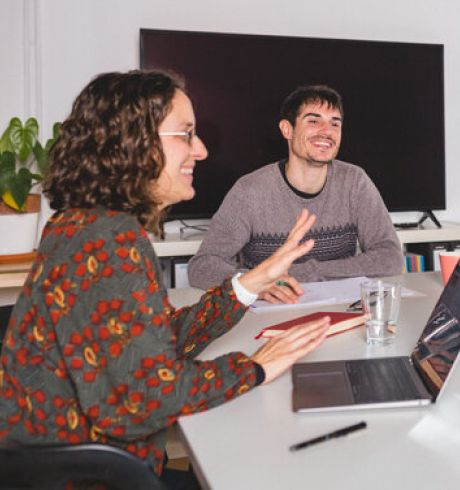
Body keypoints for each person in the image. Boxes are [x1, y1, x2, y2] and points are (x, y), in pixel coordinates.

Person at [0, 71, 332, 481]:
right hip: (93, 477)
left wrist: (250, 283)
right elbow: (144, 400)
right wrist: (255, 367)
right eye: (186, 134)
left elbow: (150, 344)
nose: (202, 150)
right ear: (134, 142)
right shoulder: (107, 241)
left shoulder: (84, 226)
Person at [187, 84, 403, 301]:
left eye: (335, 123)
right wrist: (255, 285)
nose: (327, 131)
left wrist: (303, 273)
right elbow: (202, 267)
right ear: (287, 129)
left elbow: (390, 257)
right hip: (267, 313)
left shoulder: (355, 181)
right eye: (313, 121)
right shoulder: (250, 190)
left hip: (338, 309)